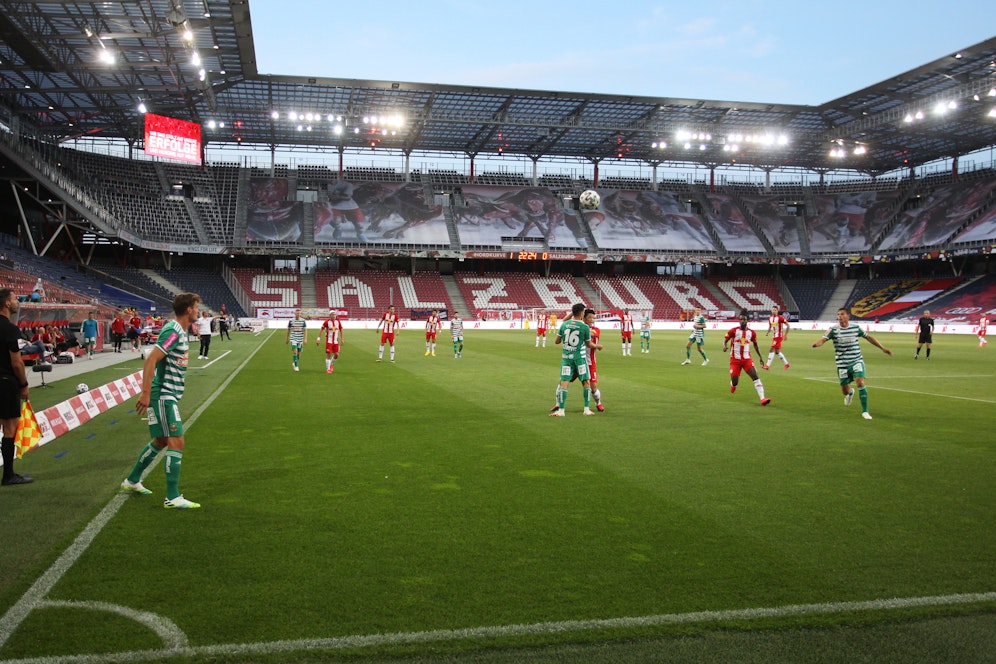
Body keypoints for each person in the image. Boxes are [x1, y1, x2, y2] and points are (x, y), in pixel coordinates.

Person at [120, 292, 202, 508]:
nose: (198, 311)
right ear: (188, 310)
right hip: (163, 395)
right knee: (177, 440)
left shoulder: (180, 331)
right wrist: (145, 393)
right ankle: (172, 497)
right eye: (196, 307)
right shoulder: (174, 330)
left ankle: (132, 481)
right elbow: (151, 359)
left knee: (161, 441)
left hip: (167, 394)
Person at [812, 308, 893, 420]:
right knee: (845, 390)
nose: (839, 316)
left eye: (842, 314)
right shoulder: (833, 329)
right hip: (842, 363)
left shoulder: (856, 327)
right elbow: (823, 339)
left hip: (856, 360)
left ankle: (865, 411)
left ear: (848, 316)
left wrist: (882, 348)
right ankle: (850, 393)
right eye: (838, 314)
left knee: (860, 382)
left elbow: (869, 337)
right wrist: (817, 344)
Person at [0, 288, 34, 485]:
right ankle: (8, 475)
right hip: (5, 382)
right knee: (9, 428)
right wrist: (24, 384)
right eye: (14, 299)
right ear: (6, 303)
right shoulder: (10, 329)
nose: (17, 301)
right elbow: (16, 363)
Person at [551, 308, 605, 414]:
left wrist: (575, 316)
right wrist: (574, 311)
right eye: (589, 317)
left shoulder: (595, 329)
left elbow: (592, 334)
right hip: (578, 360)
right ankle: (558, 404)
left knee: (593, 388)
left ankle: (598, 403)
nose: (592, 320)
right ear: (583, 317)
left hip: (589, 362)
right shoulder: (581, 327)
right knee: (562, 383)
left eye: (593, 318)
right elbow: (565, 322)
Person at [723, 310, 771, 406]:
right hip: (735, 360)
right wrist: (724, 346)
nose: (742, 321)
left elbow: (756, 345)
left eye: (744, 319)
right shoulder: (733, 331)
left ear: (747, 320)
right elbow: (725, 340)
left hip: (746, 359)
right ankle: (733, 385)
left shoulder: (751, 333)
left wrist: (761, 357)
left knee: (755, 377)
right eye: (740, 319)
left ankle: (762, 398)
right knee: (735, 381)